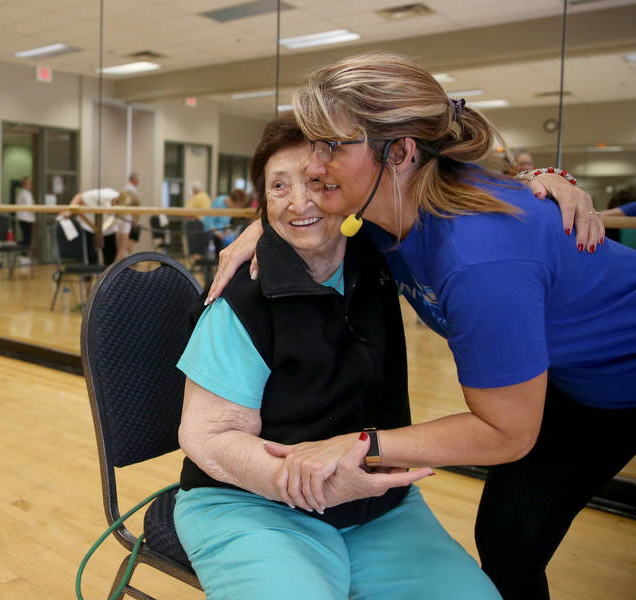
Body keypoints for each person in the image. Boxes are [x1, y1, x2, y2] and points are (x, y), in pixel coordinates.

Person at [207, 53, 632, 600]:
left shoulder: (480, 259)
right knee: (508, 542)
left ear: (402, 151)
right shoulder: (387, 214)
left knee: (511, 542)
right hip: (568, 378)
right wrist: (265, 225)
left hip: (622, 377)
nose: (314, 166)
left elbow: (507, 431)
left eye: (329, 146)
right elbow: (308, 214)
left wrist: (358, 444)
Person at [174, 114, 501, 599]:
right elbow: (206, 435)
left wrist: (546, 181)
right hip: (253, 505)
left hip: (376, 508)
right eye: (279, 187)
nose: (299, 202)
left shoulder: (379, 253)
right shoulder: (242, 300)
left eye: (316, 182)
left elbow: (449, 181)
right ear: (263, 204)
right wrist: (304, 482)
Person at [15, 176, 36, 248]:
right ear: (25, 184)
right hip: (26, 219)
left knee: (26, 238)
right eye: (29, 184)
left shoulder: (22, 193)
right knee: (27, 239)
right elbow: (30, 207)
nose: (31, 186)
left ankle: (24, 255)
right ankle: (24, 255)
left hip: (24, 218)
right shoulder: (26, 194)